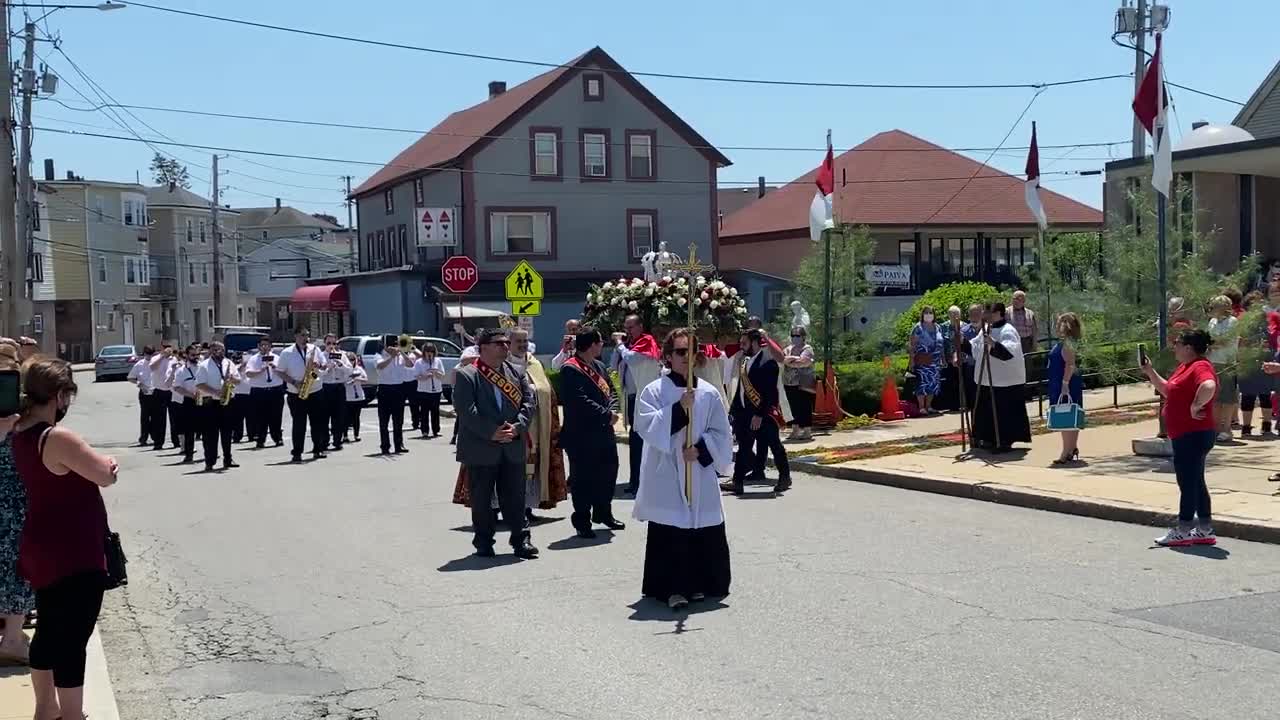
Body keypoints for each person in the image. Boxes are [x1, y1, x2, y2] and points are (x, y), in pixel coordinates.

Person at [11, 357, 118, 720]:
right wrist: (108, 462)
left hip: (41, 545)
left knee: (49, 632)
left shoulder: (20, 431)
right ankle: (72, 714)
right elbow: (104, 475)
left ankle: (46, 709)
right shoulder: (56, 436)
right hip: (75, 550)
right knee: (73, 639)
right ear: (59, 395)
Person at [634, 327, 733, 610]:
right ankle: (672, 589)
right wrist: (678, 409)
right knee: (672, 528)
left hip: (697, 469)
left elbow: (721, 432)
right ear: (667, 356)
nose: (686, 357)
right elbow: (646, 426)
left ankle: (700, 584)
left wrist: (701, 450)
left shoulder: (710, 392)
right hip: (666, 469)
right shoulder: (655, 390)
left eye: (691, 351)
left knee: (700, 525)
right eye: (679, 352)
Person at [453, 327, 539, 560]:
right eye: (499, 343)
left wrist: (518, 427)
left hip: (512, 444)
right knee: (481, 499)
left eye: (505, 343)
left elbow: (529, 403)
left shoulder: (516, 372)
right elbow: (465, 411)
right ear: (483, 348)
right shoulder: (467, 374)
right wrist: (491, 432)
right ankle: (483, 542)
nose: (505, 346)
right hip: (482, 447)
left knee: (515, 497)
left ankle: (521, 541)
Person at [1142, 329, 1218, 547]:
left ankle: (1184, 529)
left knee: (1187, 481)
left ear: (1189, 347)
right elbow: (1168, 390)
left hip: (1193, 434)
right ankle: (1204, 528)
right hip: (1186, 434)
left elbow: (1209, 385)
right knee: (1195, 481)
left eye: (1177, 343)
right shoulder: (1185, 367)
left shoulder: (1200, 366)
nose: (1174, 347)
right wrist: (1150, 371)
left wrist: (1197, 404)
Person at [559, 327, 624, 538]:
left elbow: (610, 391)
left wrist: (612, 409)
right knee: (583, 479)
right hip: (581, 434)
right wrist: (606, 414)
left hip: (603, 432)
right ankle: (582, 520)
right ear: (591, 344)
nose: (602, 345)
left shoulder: (599, 366)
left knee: (608, 473)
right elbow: (578, 401)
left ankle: (604, 512)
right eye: (599, 342)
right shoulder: (570, 368)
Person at [727, 329, 791, 494]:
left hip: (764, 415)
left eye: (744, 343)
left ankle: (784, 477)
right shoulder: (745, 361)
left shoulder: (767, 363)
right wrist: (734, 411)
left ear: (755, 342)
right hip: (746, 414)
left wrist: (759, 415)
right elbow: (741, 390)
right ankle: (737, 481)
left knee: (775, 446)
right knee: (744, 448)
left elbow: (770, 393)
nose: (741, 347)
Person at [0, 341, 32, 666]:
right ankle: (11, 637)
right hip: (14, 499)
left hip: (14, 496)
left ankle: (11, 636)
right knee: (16, 564)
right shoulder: (21, 398)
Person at [968, 302, 1032, 453]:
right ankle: (987, 438)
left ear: (998, 313)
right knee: (986, 411)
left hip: (1006, 383)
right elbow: (975, 347)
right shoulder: (985, 330)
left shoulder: (1008, 330)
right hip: (987, 380)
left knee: (1004, 414)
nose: (985, 316)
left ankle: (1004, 440)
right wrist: (962, 345)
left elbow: (1009, 353)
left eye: (988, 312)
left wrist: (993, 344)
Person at [611, 314, 663, 495]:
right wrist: (619, 347)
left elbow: (632, 359)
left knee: (642, 441)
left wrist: (620, 345)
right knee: (635, 441)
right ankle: (635, 480)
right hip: (632, 398)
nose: (627, 331)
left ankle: (643, 481)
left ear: (640, 326)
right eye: (626, 328)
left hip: (645, 399)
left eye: (631, 327)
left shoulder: (646, 341)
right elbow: (613, 365)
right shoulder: (629, 346)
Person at [277, 328, 329, 463]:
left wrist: (319, 365)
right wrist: (294, 382)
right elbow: (280, 372)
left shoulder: (315, 350)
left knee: (317, 422)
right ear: (296, 336)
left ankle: (318, 449)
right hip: (296, 392)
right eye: (302, 335)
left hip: (315, 390)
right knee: (299, 424)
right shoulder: (287, 353)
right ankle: (297, 452)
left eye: (307, 335)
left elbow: (325, 366)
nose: (306, 338)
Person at [194, 341, 241, 472]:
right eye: (215, 350)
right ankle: (210, 461)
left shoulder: (229, 363)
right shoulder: (204, 365)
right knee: (210, 435)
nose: (218, 352)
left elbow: (239, 380)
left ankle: (228, 458)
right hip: (211, 403)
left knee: (227, 433)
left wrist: (232, 379)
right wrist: (216, 392)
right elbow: (199, 384)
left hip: (228, 402)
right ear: (210, 351)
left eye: (221, 350)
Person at [1048, 313, 1084, 465]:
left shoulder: (1067, 344)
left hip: (1064, 383)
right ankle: (1072, 448)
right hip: (1065, 382)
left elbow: (1070, 364)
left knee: (1065, 418)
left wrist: (1064, 384)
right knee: (1071, 416)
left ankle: (1066, 451)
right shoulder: (1069, 343)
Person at [1239, 290, 1275, 436]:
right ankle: (1246, 427)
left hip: (1265, 358)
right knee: (1247, 394)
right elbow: (1241, 342)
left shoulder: (1268, 321)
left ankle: (1266, 425)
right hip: (1247, 361)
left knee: (1266, 394)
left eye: (1260, 303)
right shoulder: (1243, 322)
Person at [1206, 295, 1240, 444]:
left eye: (1215, 306)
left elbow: (1225, 340)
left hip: (1226, 362)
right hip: (1212, 361)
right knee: (1215, 398)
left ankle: (1226, 429)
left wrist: (1211, 344)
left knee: (1227, 398)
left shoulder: (1232, 322)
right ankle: (1216, 428)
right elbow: (1209, 339)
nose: (1212, 309)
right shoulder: (1212, 322)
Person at [375, 335, 413, 455]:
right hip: (384, 389)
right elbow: (379, 366)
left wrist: (402, 352)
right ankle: (385, 446)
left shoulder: (400, 356)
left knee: (398, 420)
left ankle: (399, 444)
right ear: (385, 346)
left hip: (398, 388)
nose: (394, 347)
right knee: (384, 421)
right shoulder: (379, 355)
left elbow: (411, 364)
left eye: (396, 345)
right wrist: (391, 357)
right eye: (391, 345)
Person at [245, 337, 285, 448]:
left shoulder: (277, 358)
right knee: (260, 417)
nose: (264, 347)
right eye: (262, 345)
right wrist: (261, 370)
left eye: (267, 345)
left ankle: (277, 438)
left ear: (270, 346)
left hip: (275, 389)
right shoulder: (253, 359)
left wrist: (274, 367)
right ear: (259, 346)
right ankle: (260, 439)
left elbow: (284, 372)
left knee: (276, 416)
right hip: (259, 391)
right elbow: (248, 374)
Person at [909, 306, 944, 416]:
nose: (929, 314)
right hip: (922, 359)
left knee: (933, 383)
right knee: (922, 383)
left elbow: (941, 344)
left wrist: (942, 358)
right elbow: (912, 345)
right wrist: (911, 360)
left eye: (930, 312)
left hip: (935, 361)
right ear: (922, 314)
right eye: (926, 313)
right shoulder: (918, 327)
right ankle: (921, 407)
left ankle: (929, 406)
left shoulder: (938, 327)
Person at [782, 326, 816, 441]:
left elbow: (803, 362)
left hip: (803, 382)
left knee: (804, 406)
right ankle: (795, 429)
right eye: (793, 336)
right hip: (789, 382)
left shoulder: (808, 349)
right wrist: (793, 359)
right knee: (792, 407)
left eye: (797, 336)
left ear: (803, 337)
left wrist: (790, 361)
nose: (794, 338)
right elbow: (782, 359)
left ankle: (807, 431)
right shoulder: (787, 349)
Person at [319, 334, 352, 452]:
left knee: (339, 416)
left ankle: (338, 441)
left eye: (334, 344)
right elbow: (314, 374)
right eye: (329, 343)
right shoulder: (321, 356)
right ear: (324, 344)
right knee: (323, 416)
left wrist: (340, 364)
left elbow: (349, 371)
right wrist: (327, 368)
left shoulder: (342, 355)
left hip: (338, 387)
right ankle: (324, 441)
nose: (331, 346)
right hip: (325, 388)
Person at [169, 346, 200, 463]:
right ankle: (188, 454)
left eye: (197, 355)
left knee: (208, 428)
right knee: (189, 430)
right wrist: (191, 395)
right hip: (190, 401)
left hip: (205, 399)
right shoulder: (181, 370)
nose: (195, 357)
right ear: (187, 355)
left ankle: (210, 454)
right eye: (192, 355)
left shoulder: (203, 367)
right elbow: (177, 387)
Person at [150, 343, 180, 450]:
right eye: (166, 348)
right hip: (159, 391)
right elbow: (152, 367)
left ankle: (176, 441)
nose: (168, 350)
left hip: (171, 391)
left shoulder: (174, 359)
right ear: (162, 349)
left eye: (170, 348)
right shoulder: (156, 358)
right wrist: (162, 356)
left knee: (175, 417)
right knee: (159, 418)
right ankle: (158, 442)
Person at [414, 343, 446, 438]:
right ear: (424, 352)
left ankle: (436, 430)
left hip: (436, 390)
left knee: (435, 411)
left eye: (431, 351)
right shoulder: (419, 362)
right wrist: (425, 376)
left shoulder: (438, 361)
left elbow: (442, 375)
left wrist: (436, 372)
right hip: (423, 390)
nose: (429, 353)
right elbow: (416, 376)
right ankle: (424, 431)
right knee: (424, 411)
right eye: (428, 351)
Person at [127, 346, 155, 447]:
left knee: (156, 417)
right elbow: (130, 377)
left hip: (156, 392)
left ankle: (155, 436)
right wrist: (139, 383)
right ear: (144, 354)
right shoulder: (139, 364)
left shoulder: (156, 363)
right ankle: (144, 438)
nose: (149, 356)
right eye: (147, 354)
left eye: (151, 354)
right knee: (145, 417)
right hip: (144, 392)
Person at [230, 352, 254, 443]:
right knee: (237, 418)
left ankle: (252, 435)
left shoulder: (251, 367)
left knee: (251, 417)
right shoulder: (236, 367)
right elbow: (235, 374)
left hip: (250, 394)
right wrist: (242, 365)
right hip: (238, 395)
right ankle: (237, 436)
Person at [344, 353, 368, 443]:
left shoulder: (359, 369)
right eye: (349, 359)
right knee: (346, 417)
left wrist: (358, 379)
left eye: (353, 359)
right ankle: (345, 436)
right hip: (347, 396)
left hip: (358, 396)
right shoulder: (345, 369)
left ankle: (356, 434)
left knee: (356, 417)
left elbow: (366, 380)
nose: (351, 361)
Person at [402, 341, 423, 433]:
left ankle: (416, 422)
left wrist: (410, 347)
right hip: (401, 382)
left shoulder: (413, 352)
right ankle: (399, 423)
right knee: (399, 405)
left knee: (414, 404)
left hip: (413, 381)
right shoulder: (398, 353)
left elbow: (421, 356)